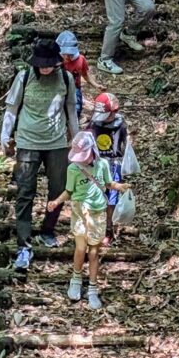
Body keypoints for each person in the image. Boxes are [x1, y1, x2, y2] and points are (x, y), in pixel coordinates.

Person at [0, 39, 79, 270]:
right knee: (25, 191)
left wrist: (77, 139)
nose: (44, 68)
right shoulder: (24, 77)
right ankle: (24, 245)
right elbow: (11, 109)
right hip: (27, 141)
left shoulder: (66, 79)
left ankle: (48, 229)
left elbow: (71, 109)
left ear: (57, 63)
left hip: (56, 142)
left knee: (59, 189)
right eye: (41, 64)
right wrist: (5, 136)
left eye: (49, 64)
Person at [47, 131, 129, 310]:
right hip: (79, 211)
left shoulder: (102, 165)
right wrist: (56, 202)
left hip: (98, 213)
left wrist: (119, 186)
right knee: (80, 248)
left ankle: (92, 287)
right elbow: (69, 191)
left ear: (93, 150)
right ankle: (76, 279)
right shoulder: (73, 169)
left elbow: (108, 183)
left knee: (93, 252)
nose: (81, 159)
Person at [86, 92, 128, 245]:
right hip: (96, 164)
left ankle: (108, 229)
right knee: (94, 195)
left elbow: (126, 145)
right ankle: (94, 226)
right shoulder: (93, 124)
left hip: (114, 164)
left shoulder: (121, 124)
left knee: (111, 199)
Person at [55, 30, 105, 118]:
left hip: (74, 88)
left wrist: (96, 85)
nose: (67, 57)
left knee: (77, 108)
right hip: (57, 88)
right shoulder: (55, 60)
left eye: (70, 54)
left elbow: (85, 75)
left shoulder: (80, 60)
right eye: (64, 54)